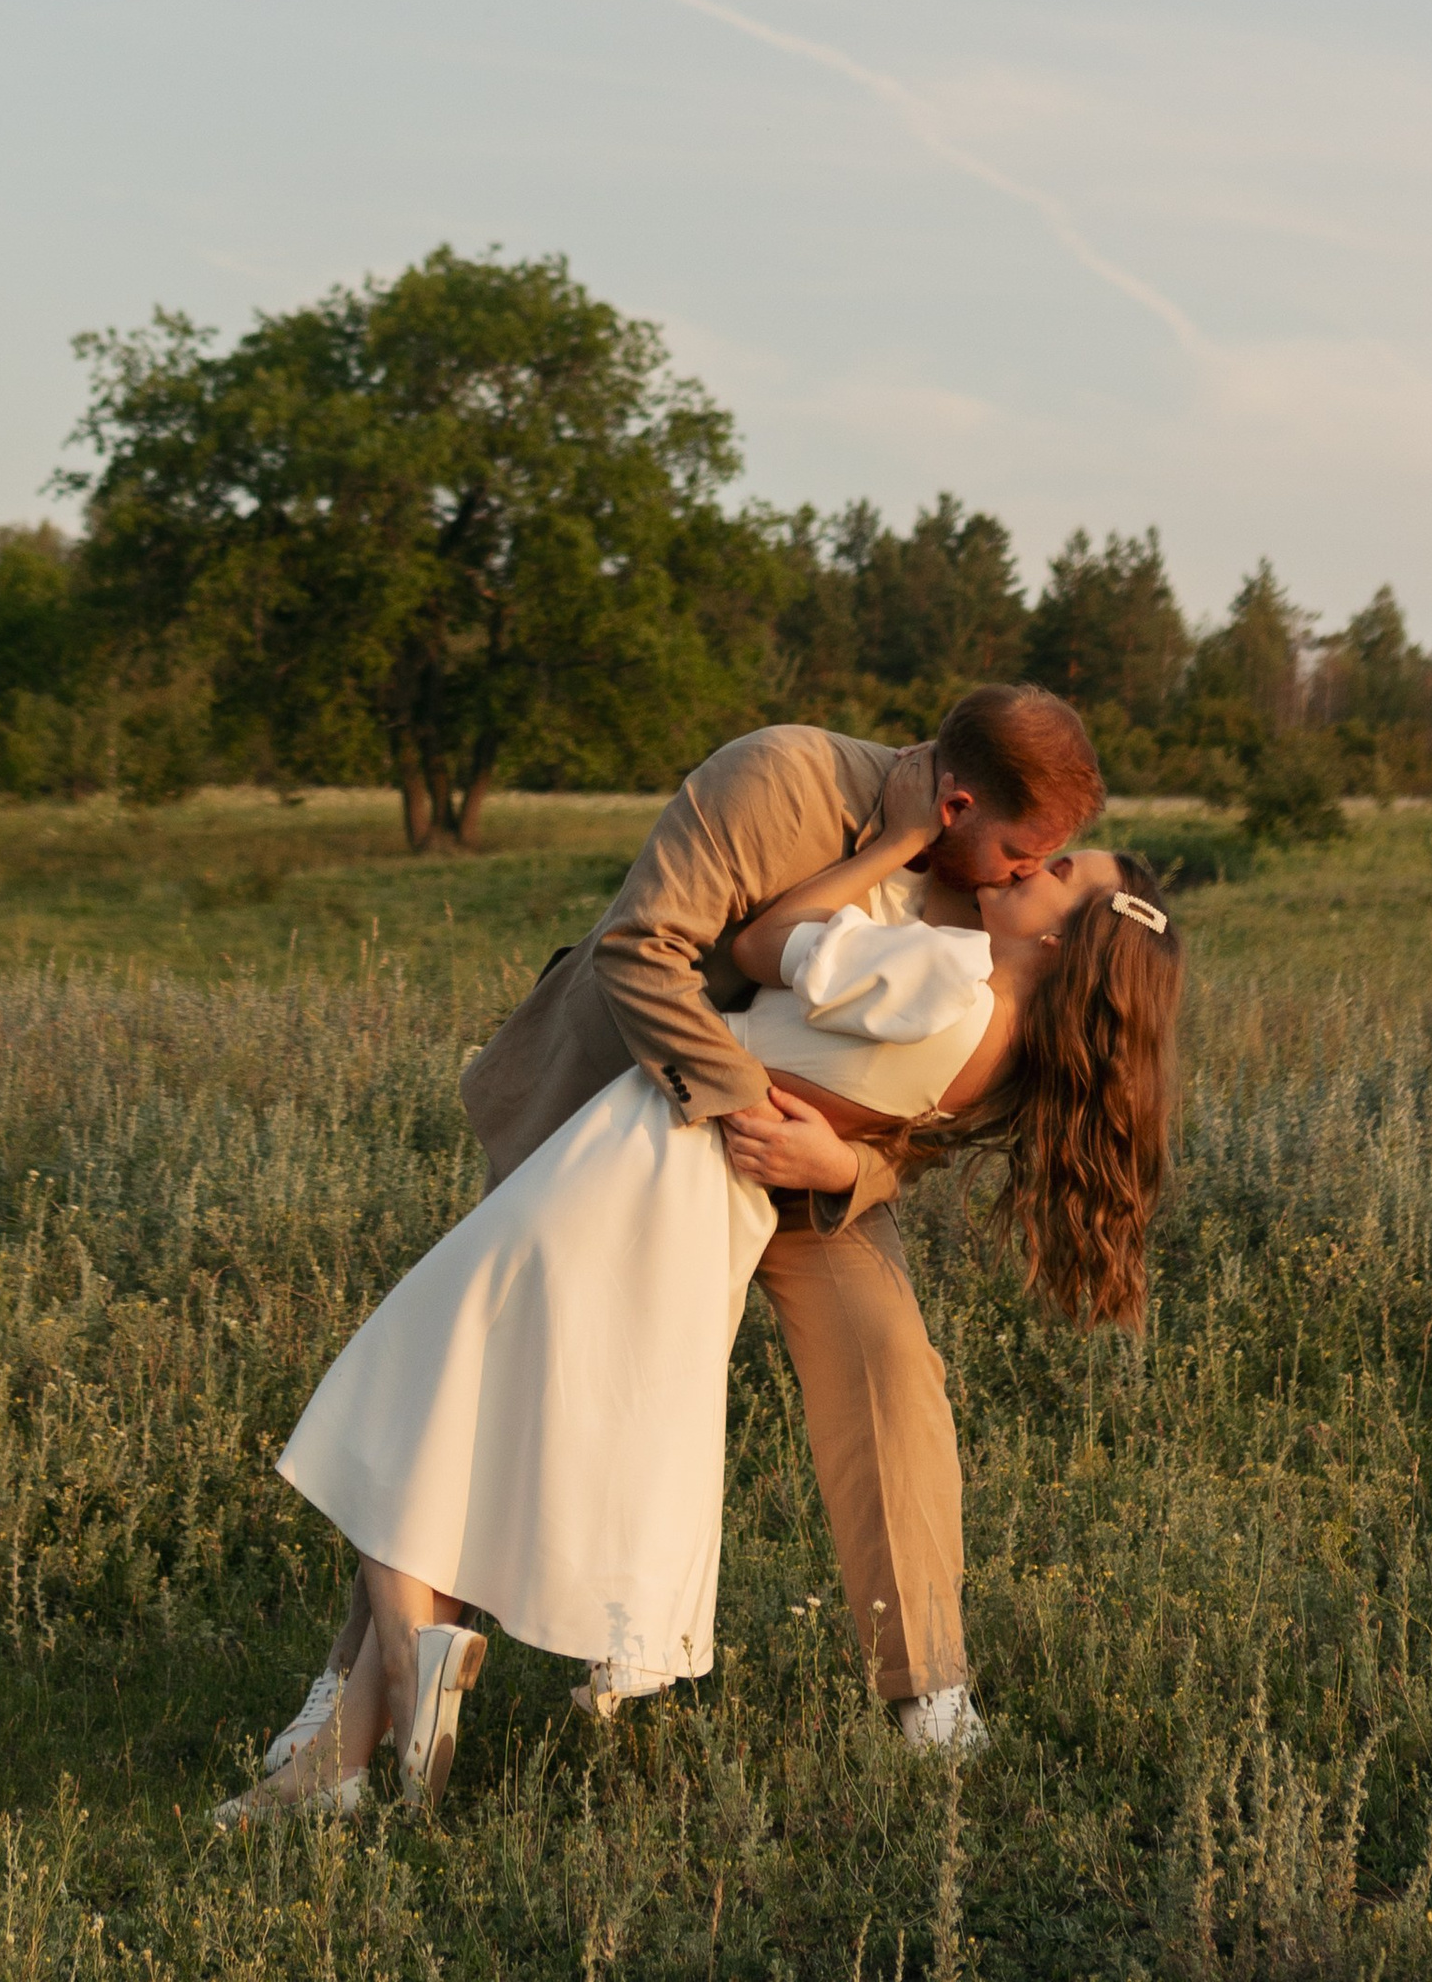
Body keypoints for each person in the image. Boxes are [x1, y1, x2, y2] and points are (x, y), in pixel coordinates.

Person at [228, 688, 1145, 1818]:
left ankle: (929, 1692)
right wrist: (742, 1110)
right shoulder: (779, 779)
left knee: (889, 1373)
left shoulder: (988, 901)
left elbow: (941, 1098)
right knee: (488, 1383)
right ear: (956, 801)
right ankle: (355, 1699)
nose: (1021, 873)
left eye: (1046, 862)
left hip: (805, 1168)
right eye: (1021, 852)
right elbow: (642, 949)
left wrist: (840, 1169)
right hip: (626, 1112)